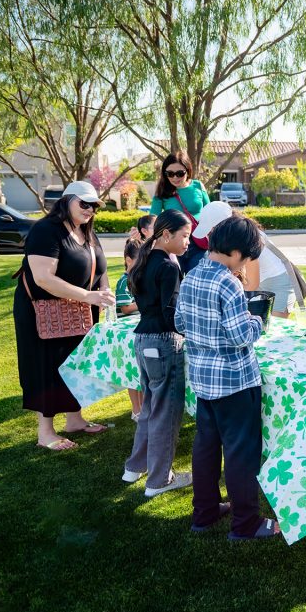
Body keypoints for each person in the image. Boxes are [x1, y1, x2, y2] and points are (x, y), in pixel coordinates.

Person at [175, 216, 281, 540]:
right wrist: (258, 322)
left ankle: (204, 513)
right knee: (240, 453)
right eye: (248, 258)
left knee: (205, 448)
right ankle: (245, 523)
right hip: (235, 382)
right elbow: (239, 336)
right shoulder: (229, 283)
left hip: (204, 381)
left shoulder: (191, 275)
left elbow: (180, 321)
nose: (246, 264)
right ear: (236, 253)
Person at [13, 181, 114, 451]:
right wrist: (87, 296)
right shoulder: (46, 230)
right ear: (66, 200)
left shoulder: (86, 231)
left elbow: (99, 267)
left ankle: (75, 420)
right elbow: (43, 278)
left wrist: (103, 290)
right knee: (47, 366)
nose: (90, 209)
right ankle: (45, 433)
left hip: (79, 309)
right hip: (43, 310)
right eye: (84, 203)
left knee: (75, 364)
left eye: (94, 205)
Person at [122, 210, 194, 497]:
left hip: (143, 341)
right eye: (185, 236)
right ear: (166, 235)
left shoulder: (145, 259)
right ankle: (159, 480)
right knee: (166, 413)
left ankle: (134, 467)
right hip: (164, 343)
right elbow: (172, 313)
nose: (188, 242)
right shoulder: (168, 266)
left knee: (150, 409)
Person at [149, 151, 211, 273]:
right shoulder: (162, 191)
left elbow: (210, 211)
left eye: (179, 173)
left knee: (197, 282)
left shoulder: (198, 186)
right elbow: (153, 218)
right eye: (170, 174)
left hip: (199, 243)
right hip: (173, 244)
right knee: (176, 284)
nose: (175, 178)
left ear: (188, 170)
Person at [116, 237, 143, 421]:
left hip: (140, 330)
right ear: (128, 260)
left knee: (142, 372)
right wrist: (145, 302)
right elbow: (125, 307)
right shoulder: (123, 281)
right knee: (132, 372)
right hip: (127, 334)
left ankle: (143, 408)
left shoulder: (140, 278)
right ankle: (136, 409)